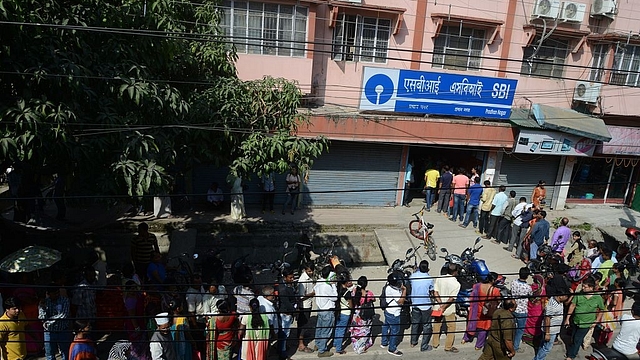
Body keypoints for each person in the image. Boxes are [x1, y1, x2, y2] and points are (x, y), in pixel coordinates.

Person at [564, 277, 606, 360]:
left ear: (591, 287)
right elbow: (572, 306)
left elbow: (602, 309)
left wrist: (596, 321)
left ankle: (571, 356)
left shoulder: (597, 298)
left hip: (587, 323)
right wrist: (567, 318)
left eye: (585, 287)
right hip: (576, 321)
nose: (582, 288)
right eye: (582, 286)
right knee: (573, 337)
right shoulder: (579, 294)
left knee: (577, 339)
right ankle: (572, 351)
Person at [462, 273, 501, 350]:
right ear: (493, 280)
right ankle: (478, 346)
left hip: (475, 310)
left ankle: (465, 339)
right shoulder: (495, 290)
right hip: (486, 312)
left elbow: (472, 296)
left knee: (472, 324)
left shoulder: (477, 286)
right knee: (483, 329)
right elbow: (498, 301)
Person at [431, 264, 461, 353]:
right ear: (455, 272)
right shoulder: (456, 284)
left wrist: (440, 305)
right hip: (449, 309)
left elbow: (435, 292)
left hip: (438, 307)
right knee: (451, 328)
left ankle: (435, 343)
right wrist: (444, 307)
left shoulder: (439, 278)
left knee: (437, 325)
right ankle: (448, 347)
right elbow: (451, 298)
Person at [38, 284, 72, 360]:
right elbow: (42, 317)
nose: (56, 295)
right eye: (54, 293)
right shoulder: (45, 302)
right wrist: (42, 307)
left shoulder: (64, 300)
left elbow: (63, 315)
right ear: (48, 294)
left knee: (65, 352)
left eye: (57, 292)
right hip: (49, 332)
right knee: (49, 354)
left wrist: (48, 321)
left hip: (62, 330)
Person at [534, 291, 569, 360]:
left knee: (543, 345)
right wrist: (548, 333)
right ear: (561, 296)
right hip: (551, 331)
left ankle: (539, 357)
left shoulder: (558, 300)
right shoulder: (553, 305)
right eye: (566, 297)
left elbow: (566, 303)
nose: (566, 298)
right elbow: (547, 318)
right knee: (547, 348)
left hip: (553, 329)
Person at [409, 260, 434, 351]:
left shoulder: (413, 276)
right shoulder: (430, 279)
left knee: (415, 323)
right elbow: (431, 290)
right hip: (425, 305)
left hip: (415, 303)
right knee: (427, 325)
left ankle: (413, 342)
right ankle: (424, 346)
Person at [380, 272, 407, 356]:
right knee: (395, 331)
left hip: (388, 311)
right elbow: (401, 302)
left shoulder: (387, 287)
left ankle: (384, 342)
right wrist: (404, 290)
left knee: (386, 326)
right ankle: (392, 348)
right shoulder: (393, 290)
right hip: (394, 313)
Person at [314, 266, 338, 357]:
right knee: (326, 331)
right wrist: (333, 286)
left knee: (319, 328)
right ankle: (322, 350)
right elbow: (334, 298)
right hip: (327, 311)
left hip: (320, 309)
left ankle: (318, 343)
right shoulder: (327, 286)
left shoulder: (319, 282)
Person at [349, 276, 374, 354]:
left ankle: (356, 344)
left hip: (356, 314)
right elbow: (374, 299)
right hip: (364, 314)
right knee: (365, 330)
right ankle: (362, 346)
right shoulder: (369, 293)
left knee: (356, 330)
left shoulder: (354, 292)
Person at [509, 267, 532, 353]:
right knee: (520, 330)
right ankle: (515, 347)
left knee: (513, 327)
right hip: (522, 311)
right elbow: (531, 296)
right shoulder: (527, 287)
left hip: (513, 309)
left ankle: (510, 342)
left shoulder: (513, 282)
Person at [278, 269, 298, 359]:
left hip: (288, 312)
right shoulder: (283, 289)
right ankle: (282, 352)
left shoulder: (287, 285)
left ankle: (282, 348)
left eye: (293, 277)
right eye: (290, 278)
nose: (292, 279)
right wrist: (294, 310)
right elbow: (286, 303)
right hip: (285, 313)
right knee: (284, 334)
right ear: (284, 277)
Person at [297, 264, 315, 353]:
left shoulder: (309, 278)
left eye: (312, 271)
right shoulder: (303, 280)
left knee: (304, 323)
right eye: (309, 271)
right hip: (304, 305)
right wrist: (312, 293)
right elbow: (301, 297)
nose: (311, 273)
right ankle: (301, 344)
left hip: (308, 304)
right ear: (305, 270)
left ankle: (301, 337)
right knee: (303, 324)